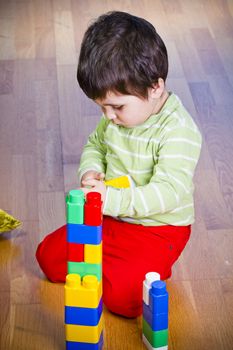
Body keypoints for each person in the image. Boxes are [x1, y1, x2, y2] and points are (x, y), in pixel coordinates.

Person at [36, 11, 202, 318]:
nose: (109, 116)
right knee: (47, 256)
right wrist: (89, 170)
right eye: (102, 107)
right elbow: (95, 145)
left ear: (155, 87)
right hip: (112, 218)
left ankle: (131, 267)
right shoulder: (113, 120)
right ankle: (112, 262)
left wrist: (112, 199)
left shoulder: (179, 131)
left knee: (123, 300)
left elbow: (169, 192)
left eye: (117, 107)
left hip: (159, 230)